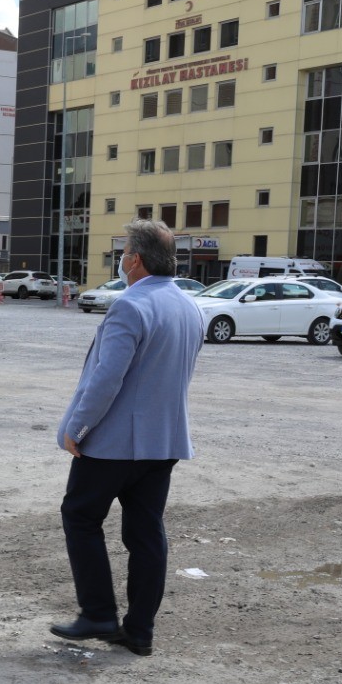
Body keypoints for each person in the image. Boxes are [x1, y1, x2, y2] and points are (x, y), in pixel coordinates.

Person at [50, 219, 203, 657]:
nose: (120, 261)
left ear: (134, 260)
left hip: (115, 444)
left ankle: (98, 612)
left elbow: (106, 379)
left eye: (123, 254)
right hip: (164, 442)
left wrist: (77, 428)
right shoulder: (190, 307)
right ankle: (139, 631)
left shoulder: (130, 306)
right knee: (146, 533)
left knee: (80, 516)